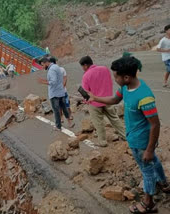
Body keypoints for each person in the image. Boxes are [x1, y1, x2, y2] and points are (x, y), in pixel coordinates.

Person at [89, 56, 170, 214]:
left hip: (142, 142)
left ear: (126, 77)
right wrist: (95, 98)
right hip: (134, 137)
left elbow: (155, 124)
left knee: (146, 171)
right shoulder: (125, 88)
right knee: (154, 162)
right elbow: (114, 99)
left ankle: (148, 204)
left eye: (116, 77)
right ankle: (164, 183)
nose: (115, 80)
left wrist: (149, 149)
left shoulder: (144, 97)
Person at [80, 56, 125, 147]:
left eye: (82, 66)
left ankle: (102, 141)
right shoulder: (104, 69)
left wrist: (86, 101)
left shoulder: (86, 75)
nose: (82, 68)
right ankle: (125, 135)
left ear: (85, 65)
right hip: (108, 100)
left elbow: (86, 92)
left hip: (94, 103)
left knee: (98, 122)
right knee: (114, 118)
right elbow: (110, 82)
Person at [38, 57, 72, 130]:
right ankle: (69, 122)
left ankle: (58, 126)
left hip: (54, 94)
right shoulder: (56, 67)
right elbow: (57, 79)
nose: (43, 67)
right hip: (61, 92)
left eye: (42, 65)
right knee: (64, 108)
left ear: (46, 62)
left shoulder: (51, 70)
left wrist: (43, 82)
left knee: (56, 111)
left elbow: (53, 82)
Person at [49, 57, 74, 122]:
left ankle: (62, 117)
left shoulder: (51, 71)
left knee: (60, 106)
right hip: (62, 91)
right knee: (66, 103)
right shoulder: (61, 69)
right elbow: (65, 79)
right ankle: (68, 115)